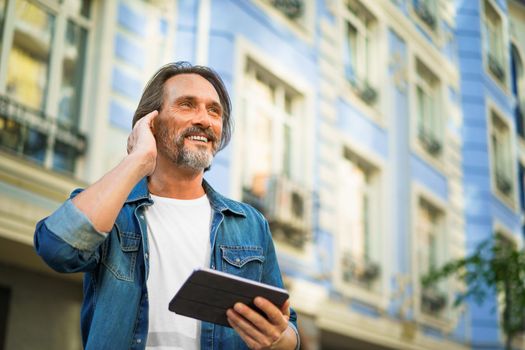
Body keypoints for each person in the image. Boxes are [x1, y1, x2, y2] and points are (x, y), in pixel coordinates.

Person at [34, 62, 299, 350]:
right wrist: (136, 161)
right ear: (151, 122)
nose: (205, 119)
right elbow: (56, 249)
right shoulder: (113, 209)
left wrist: (280, 339)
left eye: (214, 110)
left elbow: (288, 329)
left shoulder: (250, 224)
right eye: (187, 105)